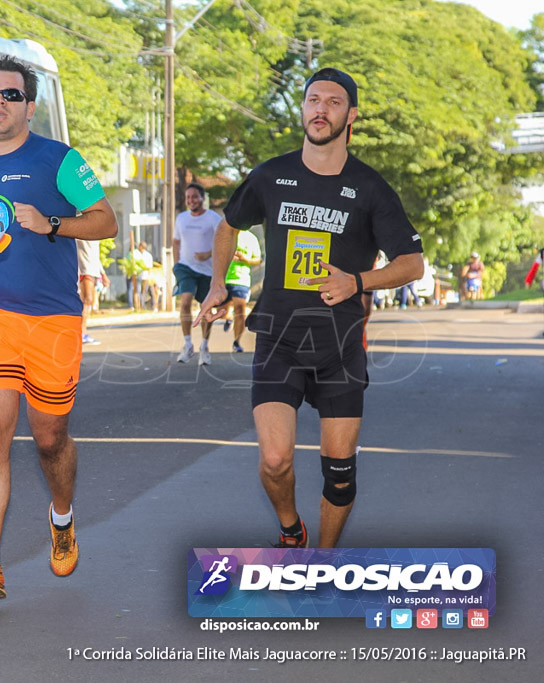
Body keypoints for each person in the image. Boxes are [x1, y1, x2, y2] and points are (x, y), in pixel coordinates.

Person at [196, 68, 424, 548]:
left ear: (351, 115)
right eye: (313, 100)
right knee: (275, 460)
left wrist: (357, 281)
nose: (321, 109)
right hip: (279, 336)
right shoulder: (271, 175)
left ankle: (323, 561)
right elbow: (228, 225)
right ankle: (290, 530)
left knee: (339, 475)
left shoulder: (369, 187)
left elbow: (412, 264)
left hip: (340, 345)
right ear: (302, 109)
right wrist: (218, 282)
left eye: (334, 102)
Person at [0, 55, 117, 600]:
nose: (0, 103)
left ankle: (62, 518)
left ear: (30, 106)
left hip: (53, 319)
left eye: (11, 95)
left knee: (50, 438)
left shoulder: (59, 159)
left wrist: (52, 221)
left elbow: (106, 220)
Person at [173, 182, 221, 365]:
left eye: (194, 197)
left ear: (202, 198)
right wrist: (176, 264)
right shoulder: (181, 218)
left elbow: (222, 243)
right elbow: (176, 242)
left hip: (207, 270)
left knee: (206, 308)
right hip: (185, 268)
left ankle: (204, 347)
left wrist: (208, 254)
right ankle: (187, 345)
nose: (191, 200)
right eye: (188, 197)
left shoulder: (213, 218)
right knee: (185, 301)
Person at [221, 228, 263, 352]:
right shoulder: (226, 234)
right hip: (224, 278)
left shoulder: (251, 238)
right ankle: (228, 318)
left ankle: (236, 342)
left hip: (241, 279)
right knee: (222, 312)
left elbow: (258, 259)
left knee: (240, 309)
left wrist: (245, 258)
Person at [77, 239, 109, 344]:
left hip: (92, 269)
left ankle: (82, 331)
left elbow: (95, 256)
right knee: (87, 300)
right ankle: (81, 332)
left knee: (87, 301)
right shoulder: (81, 232)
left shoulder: (95, 235)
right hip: (84, 269)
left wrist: (102, 274)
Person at [135, 242, 158, 312]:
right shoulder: (144, 255)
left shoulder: (145, 255)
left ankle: (145, 306)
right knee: (147, 292)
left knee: (145, 292)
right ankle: (148, 306)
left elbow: (149, 267)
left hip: (145, 276)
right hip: (143, 276)